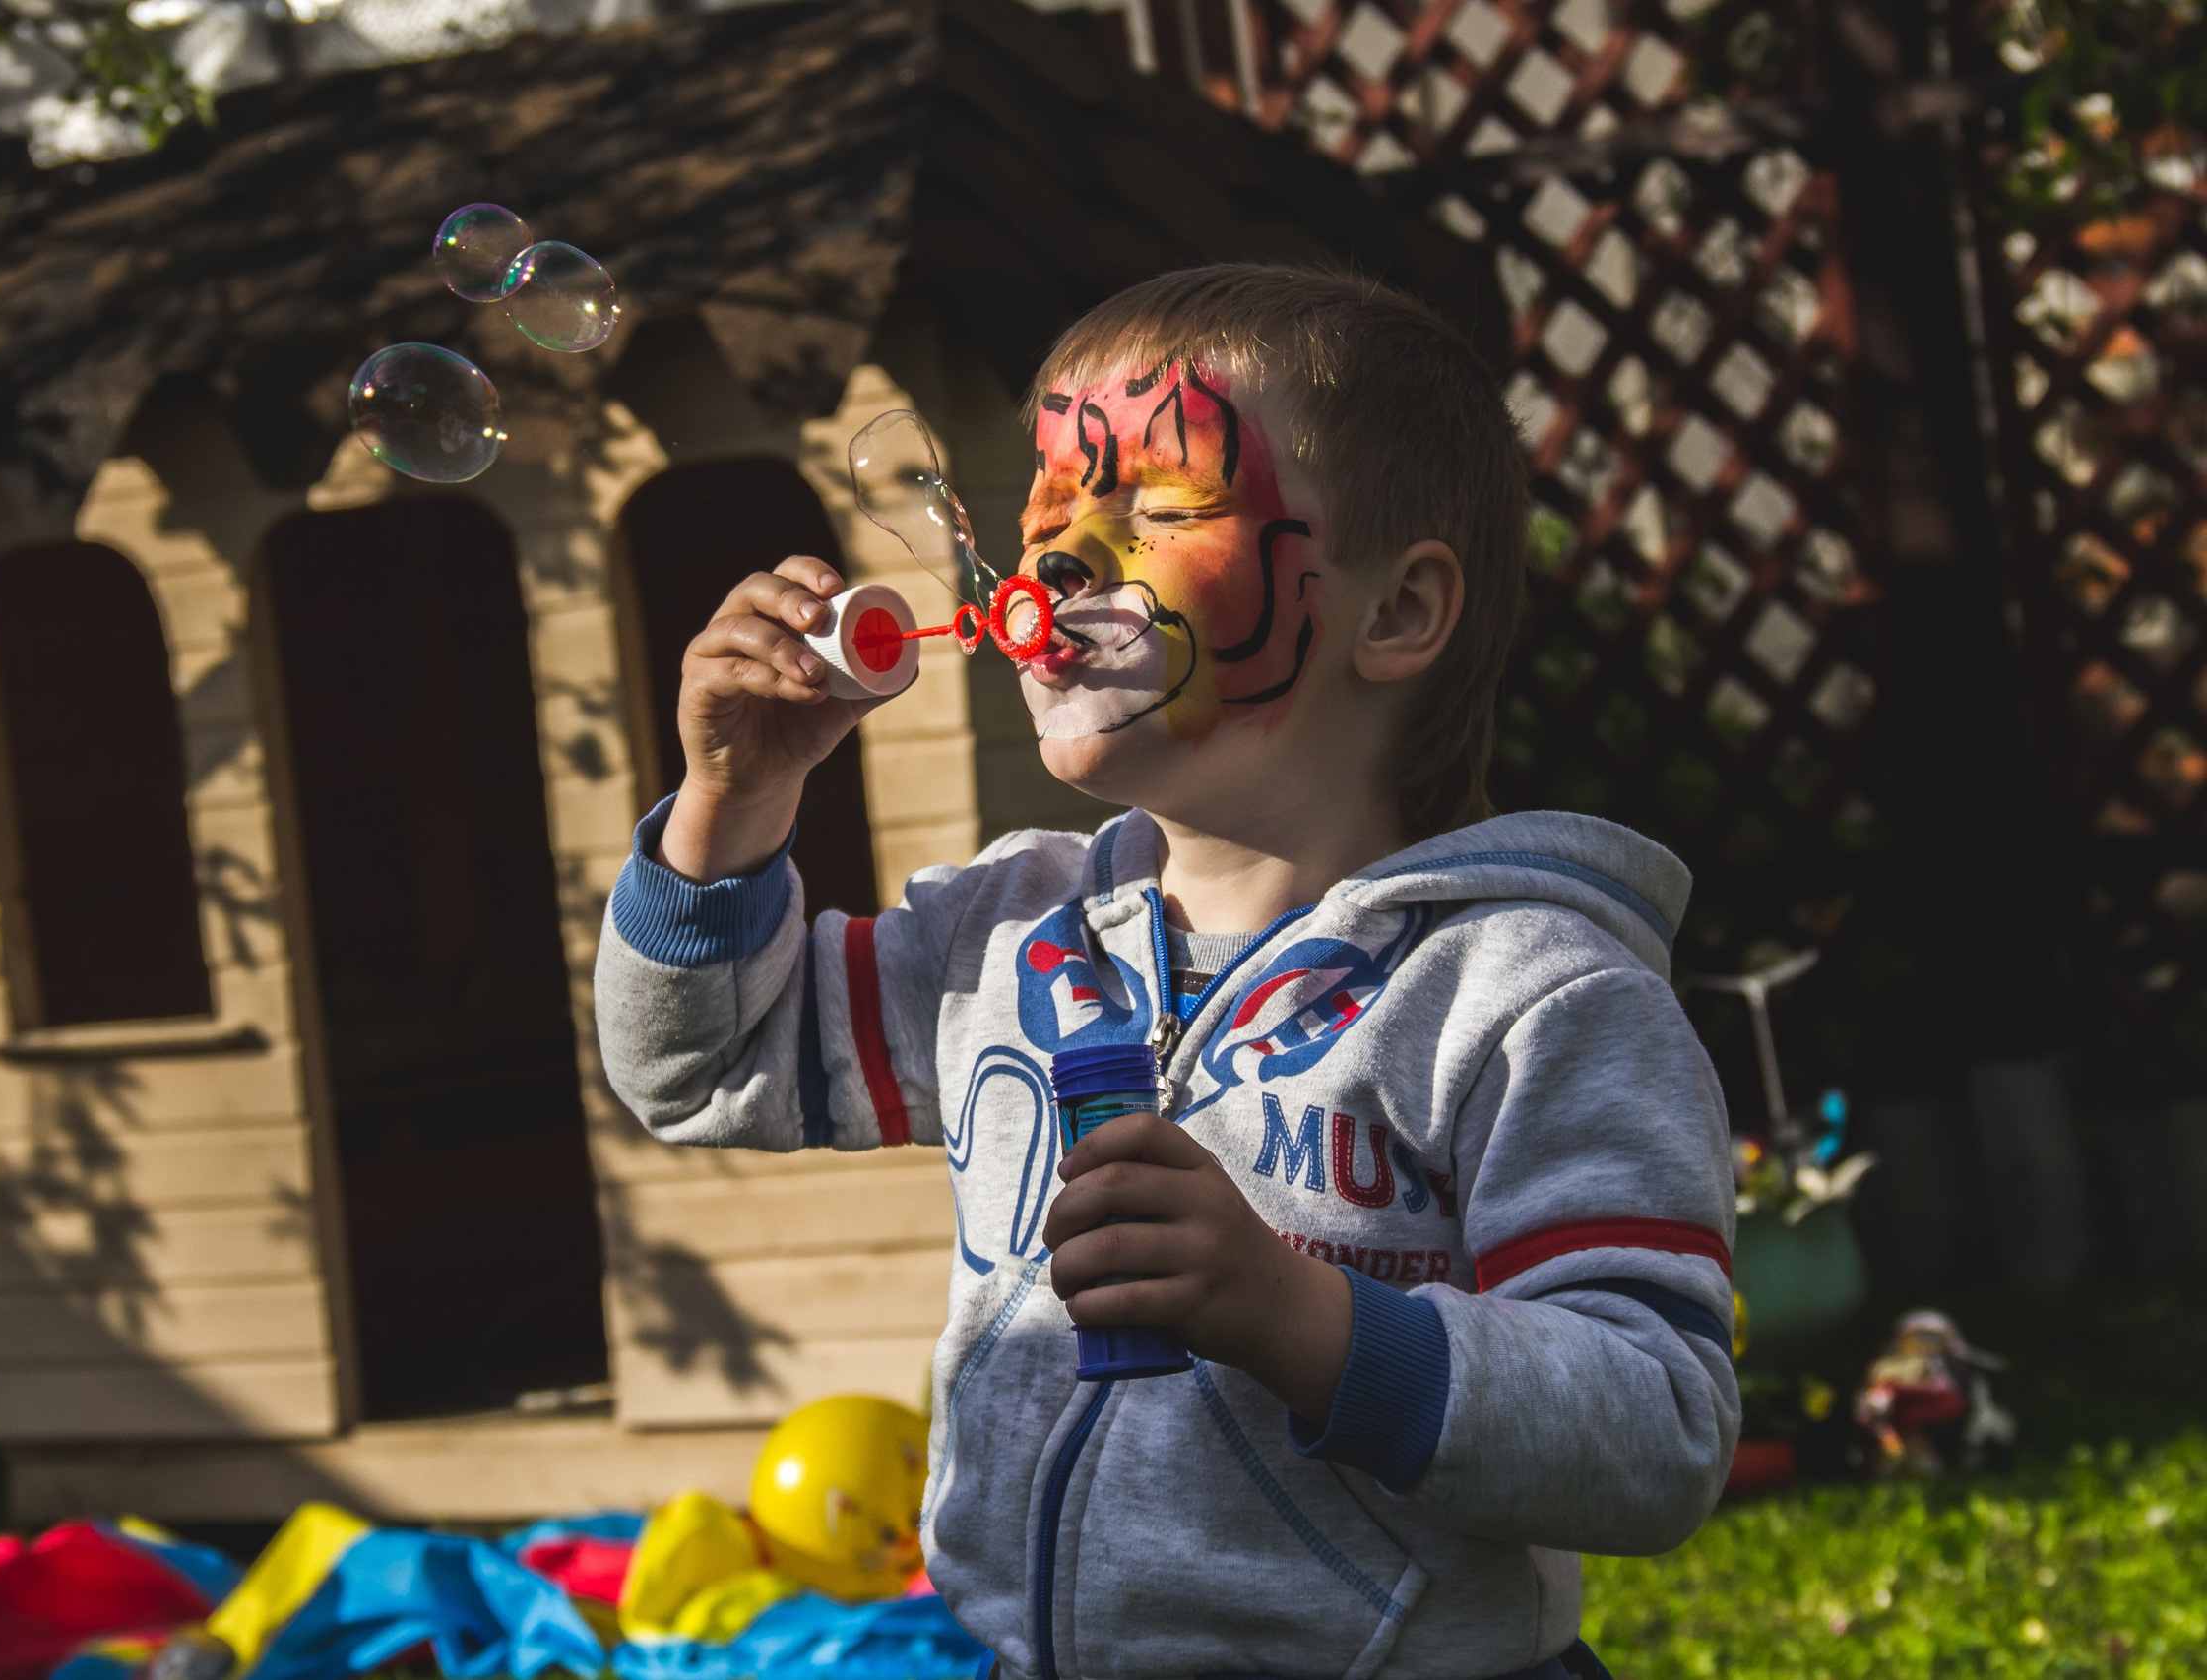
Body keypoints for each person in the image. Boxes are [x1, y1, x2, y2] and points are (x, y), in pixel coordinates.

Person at [594, 265, 1737, 1680]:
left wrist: (1304, 1325)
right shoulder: (1002, 939)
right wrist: (728, 808)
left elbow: (1657, 1435)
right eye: (1049, 510)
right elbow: (701, 1067)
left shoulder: (1526, 996)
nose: (1059, 562)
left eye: (1153, 511)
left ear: (1396, 613)